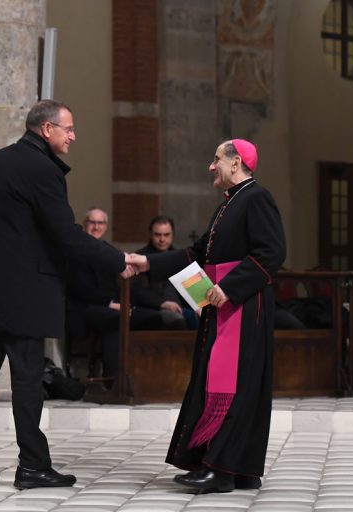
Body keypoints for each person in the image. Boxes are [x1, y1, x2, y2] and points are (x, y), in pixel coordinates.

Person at [0, 100, 134, 490]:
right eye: (69, 129)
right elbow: (66, 234)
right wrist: (118, 259)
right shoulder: (43, 170)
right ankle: (32, 464)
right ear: (46, 130)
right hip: (23, 291)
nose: (74, 136)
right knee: (29, 377)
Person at [128, 139, 286, 492]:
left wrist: (230, 287)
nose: (211, 167)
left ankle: (221, 469)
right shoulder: (228, 205)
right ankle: (238, 468)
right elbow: (197, 254)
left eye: (216, 160)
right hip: (222, 306)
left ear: (236, 163)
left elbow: (272, 252)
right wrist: (147, 262)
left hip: (243, 306)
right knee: (221, 382)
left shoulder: (257, 197)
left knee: (235, 386)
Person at [65, 208, 164, 381]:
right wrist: (112, 304)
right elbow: (79, 288)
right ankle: (114, 380)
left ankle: (147, 377)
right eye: (92, 222)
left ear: (106, 226)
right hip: (83, 308)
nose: (96, 227)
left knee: (156, 318)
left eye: (100, 223)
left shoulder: (108, 251)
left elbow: (130, 286)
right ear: (84, 224)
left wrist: (159, 304)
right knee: (116, 319)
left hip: (115, 305)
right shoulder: (75, 251)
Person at [134, 215, 197, 329]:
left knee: (205, 319)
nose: (162, 239)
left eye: (166, 235)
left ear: (172, 235)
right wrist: (161, 303)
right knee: (177, 320)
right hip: (152, 309)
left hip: (182, 308)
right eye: (158, 235)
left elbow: (195, 288)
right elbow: (136, 291)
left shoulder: (181, 258)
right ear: (150, 234)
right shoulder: (139, 258)